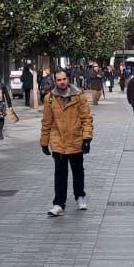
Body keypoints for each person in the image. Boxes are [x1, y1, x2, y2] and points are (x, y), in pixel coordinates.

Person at [41, 68, 94, 216]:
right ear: (54, 81)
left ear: (68, 79)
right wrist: (44, 142)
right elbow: (46, 122)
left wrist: (87, 138)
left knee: (78, 171)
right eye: (58, 80)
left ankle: (80, 196)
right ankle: (58, 203)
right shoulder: (50, 98)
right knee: (60, 173)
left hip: (75, 138)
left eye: (64, 79)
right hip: (58, 141)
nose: (62, 82)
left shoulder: (79, 96)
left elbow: (86, 118)